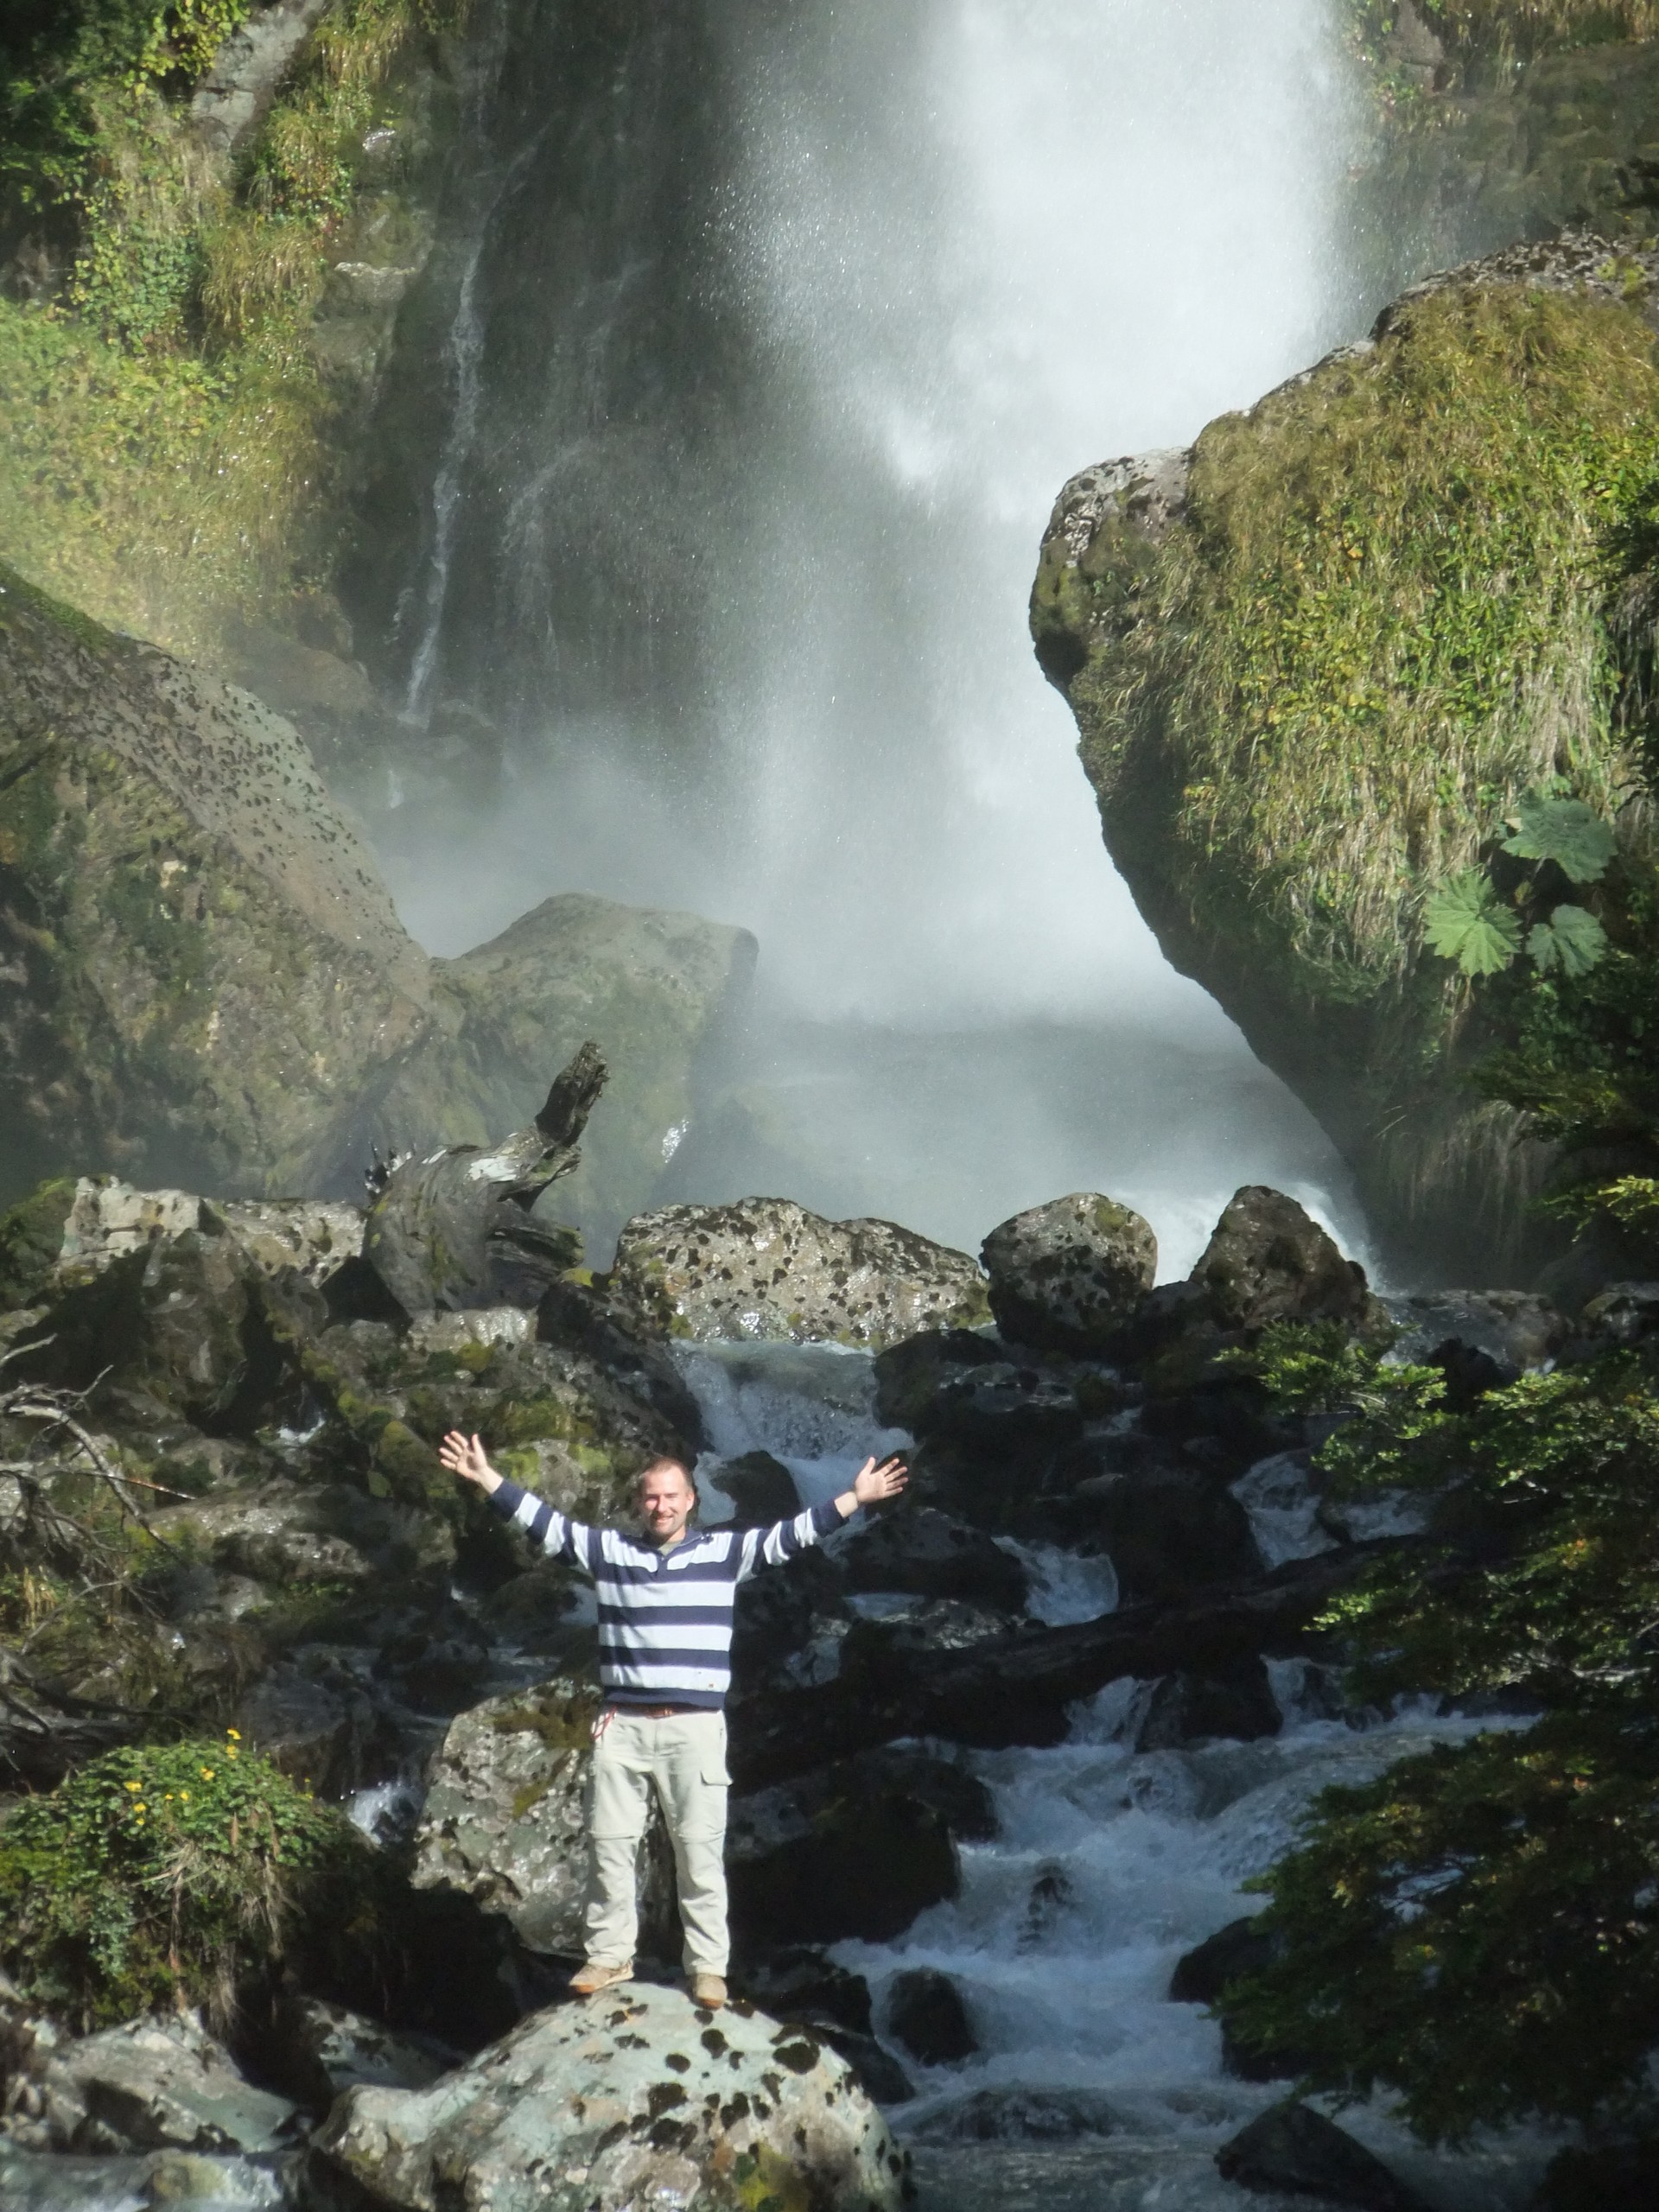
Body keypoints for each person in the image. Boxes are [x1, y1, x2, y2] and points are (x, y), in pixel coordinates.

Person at [437, 1430, 907, 2009]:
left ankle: (708, 1968)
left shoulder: (723, 1554)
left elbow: (792, 1536)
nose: (661, 1507)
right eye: (652, 1498)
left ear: (691, 1501)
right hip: (625, 1726)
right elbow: (546, 1524)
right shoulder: (612, 1555)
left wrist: (855, 1497)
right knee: (610, 1845)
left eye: (672, 1497)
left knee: (699, 1851)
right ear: (641, 1504)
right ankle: (609, 1956)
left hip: (695, 1727)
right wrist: (488, 1478)